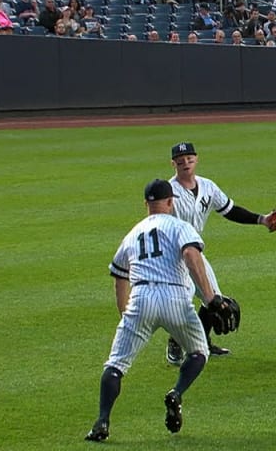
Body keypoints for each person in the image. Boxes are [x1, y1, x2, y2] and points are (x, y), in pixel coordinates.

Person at [84, 179, 229, 442]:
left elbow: (119, 275)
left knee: (116, 365)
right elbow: (191, 255)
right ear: (171, 201)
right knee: (199, 352)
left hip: (141, 298)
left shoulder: (133, 233)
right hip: (175, 298)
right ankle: (176, 392)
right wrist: (211, 299)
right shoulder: (179, 226)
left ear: (146, 204)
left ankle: (101, 423)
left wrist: (125, 314)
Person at [163, 142, 276, 364]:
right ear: (173, 163)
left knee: (213, 298)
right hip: (173, 257)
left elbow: (230, 210)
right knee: (181, 303)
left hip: (196, 252)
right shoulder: (169, 192)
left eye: (189, 158)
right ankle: (175, 343)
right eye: (180, 159)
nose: (185, 162)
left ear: (196, 159)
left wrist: (262, 219)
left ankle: (202, 342)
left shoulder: (207, 186)